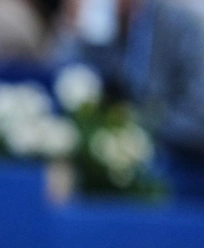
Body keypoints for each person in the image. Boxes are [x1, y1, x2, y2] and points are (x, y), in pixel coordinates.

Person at [56, 0, 204, 198]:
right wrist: (70, 30)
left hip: (179, 163)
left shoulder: (183, 25)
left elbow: (198, 117)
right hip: (115, 158)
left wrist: (140, 126)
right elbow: (68, 79)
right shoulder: (101, 22)